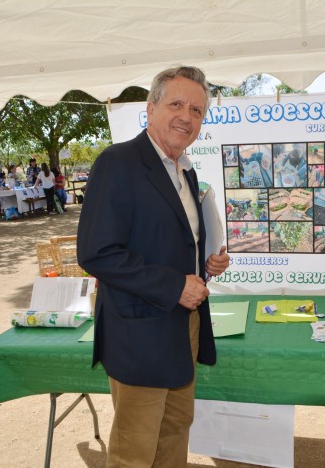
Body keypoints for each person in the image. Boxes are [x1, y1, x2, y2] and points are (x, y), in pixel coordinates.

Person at [76, 65, 230, 467]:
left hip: (184, 326)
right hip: (140, 331)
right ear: (151, 108)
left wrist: (207, 261)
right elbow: (96, 251)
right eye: (176, 103)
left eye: (197, 110)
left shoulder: (186, 169)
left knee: (176, 429)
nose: (187, 116)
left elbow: (174, 241)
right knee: (136, 446)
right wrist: (174, 285)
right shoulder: (118, 163)